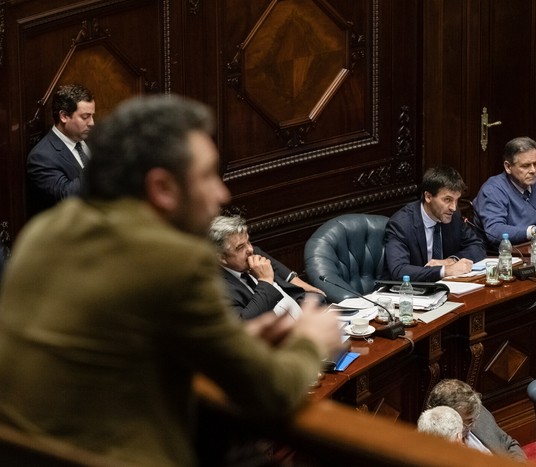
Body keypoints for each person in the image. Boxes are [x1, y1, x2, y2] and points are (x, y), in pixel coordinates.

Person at [0, 94, 343, 466]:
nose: (222, 193)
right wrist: (310, 343)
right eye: (209, 176)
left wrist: (235, 344)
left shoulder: (46, 233)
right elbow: (270, 393)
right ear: (162, 188)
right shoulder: (173, 260)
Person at [209, 214, 326, 320]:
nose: (250, 249)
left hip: (301, 316)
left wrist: (308, 288)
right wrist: (265, 281)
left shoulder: (252, 254)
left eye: (248, 242)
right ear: (221, 257)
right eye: (240, 247)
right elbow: (243, 323)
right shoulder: (217, 288)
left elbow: (283, 272)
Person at [384, 166, 486, 282]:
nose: (453, 207)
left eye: (456, 200)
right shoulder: (401, 224)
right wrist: (444, 270)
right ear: (428, 196)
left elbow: (478, 246)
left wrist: (450, 261)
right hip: (410, 292)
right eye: (447, 200)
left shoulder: (453, 216)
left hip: (447, 288)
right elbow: (399, 270)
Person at [472, 137, 536, 248]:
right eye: (525, 166)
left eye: (535, 164)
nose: (533, 171)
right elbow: (494, 231)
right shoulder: (492, 190)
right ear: (508, 167)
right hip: (506, 256)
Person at [26, 84, 96, 214]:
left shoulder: (89, 138)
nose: (92, 123)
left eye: (92, 116)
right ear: (64, 116)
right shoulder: (41, 157)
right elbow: (67, 196)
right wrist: (101, 163)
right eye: (85, 117)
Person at [426, 379, 527, 462]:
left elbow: (508, 443)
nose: (473, 424)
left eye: (473, 418)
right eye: (467, 422)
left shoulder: (476, 412)